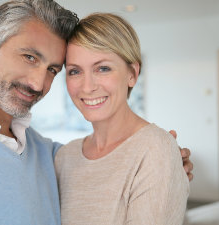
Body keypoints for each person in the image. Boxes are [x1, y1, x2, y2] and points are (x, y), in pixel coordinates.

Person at [0, 0, 192, 224]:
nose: (38, 84)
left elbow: (110, 163)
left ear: (132, 74)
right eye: (30, 57)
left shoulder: (46, 153)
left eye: (53, 70)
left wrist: (165, 158)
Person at [55, 13, 189, 225]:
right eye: (74, 71)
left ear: (132, 74)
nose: (87, 86)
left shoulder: (156, 149)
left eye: (103, 68)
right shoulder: (64, 157)